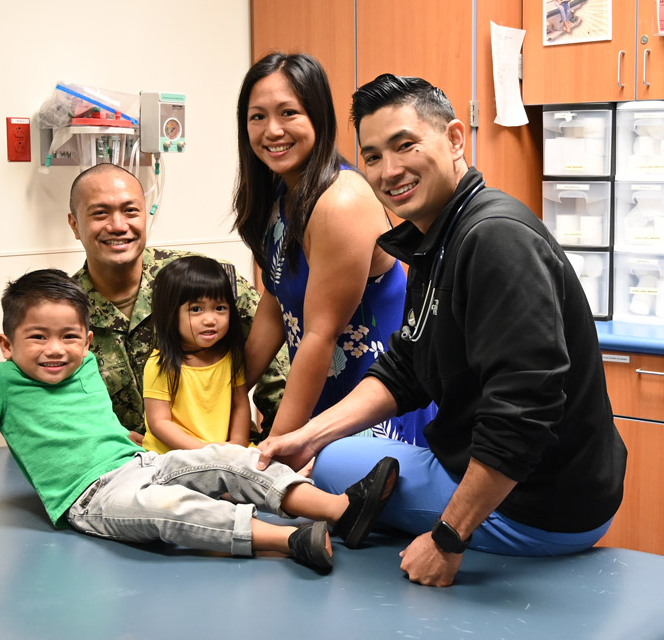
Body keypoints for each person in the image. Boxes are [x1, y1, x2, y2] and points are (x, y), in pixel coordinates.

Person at [257, 74, 627, 587]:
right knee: (329, 454)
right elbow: (406, 366)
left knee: (333, 471)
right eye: (371, 157)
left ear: (455, 139)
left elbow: (524, 411)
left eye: (405, 145)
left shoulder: (495, 239)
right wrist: (306, 435)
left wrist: (447, 539)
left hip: (542, 508)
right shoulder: (438, 237)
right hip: (518, 479)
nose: (390, 171)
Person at [0, 269, 401, 575]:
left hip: (139, 460)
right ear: (7, 345)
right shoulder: (2, 382)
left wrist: (125, 438)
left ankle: (340, 510)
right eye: (37, 337)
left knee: (228, 457)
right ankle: (290, 538)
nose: (55, 349)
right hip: (90, 497)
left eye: (69, 336)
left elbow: (88, 418)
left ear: (88, 340)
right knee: (171, 509)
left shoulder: (85, 364)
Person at [233, 52, 435, 445]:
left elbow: (319, 336)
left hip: (375, 405)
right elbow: (276, 305)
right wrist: (230, 389)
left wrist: (272, 449)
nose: (272, 130)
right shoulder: (281, 195)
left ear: (318, 116)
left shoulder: (340, 201)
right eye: (258, 116)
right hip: (319, 394)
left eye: (288, 113)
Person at [67, 163, 289, 442]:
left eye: (130, 211)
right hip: (122, 467)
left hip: (227, 455)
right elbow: (55, 407)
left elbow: (280, 380)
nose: (118, 225)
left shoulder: (206, 281)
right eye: (100, 213)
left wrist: (277, 450)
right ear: (74, 224)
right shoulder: (63, 312)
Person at [142, 256, 250, 453]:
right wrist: (205, 451)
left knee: (272, 469)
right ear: (171, 314)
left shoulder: (230, 356)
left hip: (224, 453)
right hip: (174, 456)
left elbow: (240, 405)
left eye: (220, 308)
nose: (210, 319)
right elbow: (159, 422)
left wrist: (238, 445)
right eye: (196, 309)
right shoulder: (160, 363)